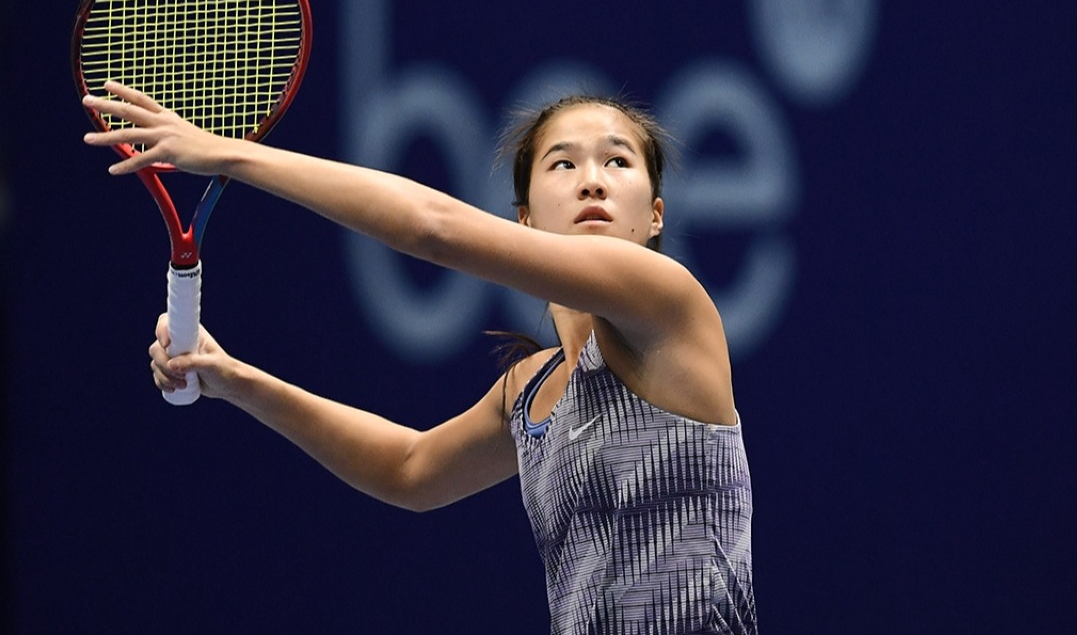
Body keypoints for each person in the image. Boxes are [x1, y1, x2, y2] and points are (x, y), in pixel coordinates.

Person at [83, 81, 757, 634]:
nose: (592, 182)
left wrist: (230, 155)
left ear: (656, 214)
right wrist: (234, 379)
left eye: (618, 162)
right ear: (525, 220)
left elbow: (434, 229)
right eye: (563, 164)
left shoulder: (669, 303)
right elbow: (409, 469)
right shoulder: (528, 391)